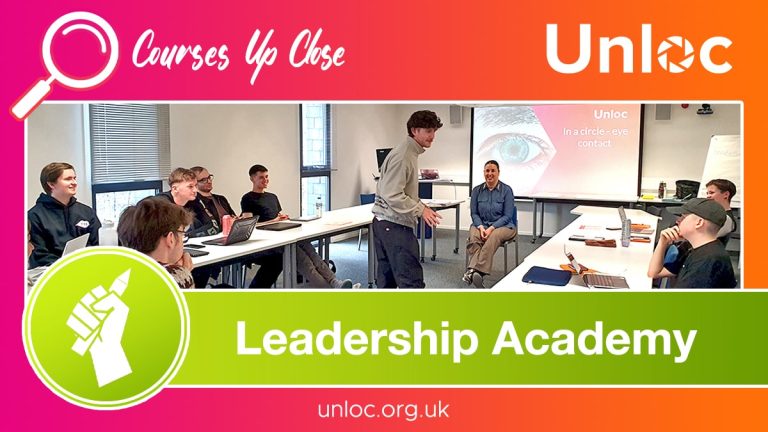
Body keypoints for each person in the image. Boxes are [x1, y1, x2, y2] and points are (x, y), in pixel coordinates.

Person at [242, 164, 355, 288]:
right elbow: (250, 225)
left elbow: (277, 216)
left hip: (283, 234)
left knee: (312, 253)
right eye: (261, 177)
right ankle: (329, 289)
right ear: (252, 179)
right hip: (269, 242)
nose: (265, 180)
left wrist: (282, 218)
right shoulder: (248, 199)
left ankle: (335, 282)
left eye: (267, 177)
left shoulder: (272, 197)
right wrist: (274, 220)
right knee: (304, 261)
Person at [371, 110, 443, 288]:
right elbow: (392, 194)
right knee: (411, 282)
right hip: (394, 226)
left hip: (386, 223)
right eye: (428, 131)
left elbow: (396, 191)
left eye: (434, 130)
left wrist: (419, 205)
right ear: (414, 130)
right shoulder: (404, 155)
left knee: (388, 282)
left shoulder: (407, 151)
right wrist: (420, 209)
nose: (432, 136)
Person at [647, 198, 736, 288]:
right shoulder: (690, 247)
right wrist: (663, 242)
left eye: (683, 217)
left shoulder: (709, 261)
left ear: (699, 222)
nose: (678, 221)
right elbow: (654, 273)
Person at [28, 162, 101, 268]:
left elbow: (98, 243)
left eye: (74, 178)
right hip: (54, 272)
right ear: (51, 184)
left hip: (88, 267)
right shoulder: (34, 216)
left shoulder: (86, 211)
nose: (74, 182)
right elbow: (39, 255)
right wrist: (67, 266)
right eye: (68, 179)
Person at [118, 198, 195, 288]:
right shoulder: (175, 277)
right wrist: (183, 274)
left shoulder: (120, 271)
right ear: (171, 239)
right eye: (182, 235)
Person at [464, 160, 517, 288]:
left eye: (493, 170)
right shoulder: (477, 190)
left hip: (505, 227)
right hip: (482, 225)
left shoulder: (507, 190)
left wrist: (491, 228)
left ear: (498, 172)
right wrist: (481, 227)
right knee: (474, 235)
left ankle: (476, 271)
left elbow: (508, 216)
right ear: (484, 173)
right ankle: (476, 272)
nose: (490, 173)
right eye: (487, 171)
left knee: (493, 236)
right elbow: (474, 213)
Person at [186, 166, 237, 232]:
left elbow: (233, 216)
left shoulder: (221, 199)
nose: (209, 181)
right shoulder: (194, 202)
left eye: (209, 177)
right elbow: (207, 226)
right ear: (195, 183)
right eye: (203, 180)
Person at [705, 179, 738, 243]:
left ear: (726, 194)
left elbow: (703, 238)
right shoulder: (717, 215)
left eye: (711, 193)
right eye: (707, 193)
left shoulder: (727, 219)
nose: (708, 196)